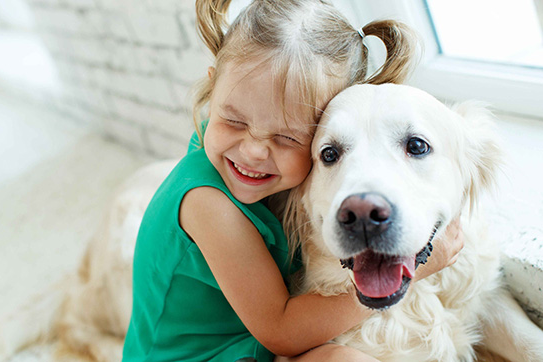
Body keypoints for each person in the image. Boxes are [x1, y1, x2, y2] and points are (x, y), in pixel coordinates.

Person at [122, 0, 463, 361]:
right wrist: (418, 268)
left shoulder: (252, 152)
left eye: (286, 138)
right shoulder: (208, 205)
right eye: (233, 121)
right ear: (212, 90)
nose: (253, 151)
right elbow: (281, 332)